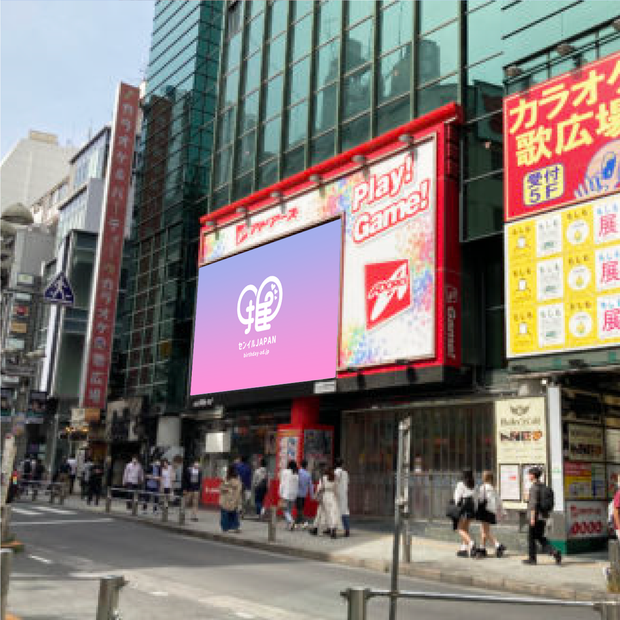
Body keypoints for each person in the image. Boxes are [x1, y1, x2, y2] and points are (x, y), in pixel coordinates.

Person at [523, 467, 561, 565]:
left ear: (533, 475)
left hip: (535, 517)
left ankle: (532, 559)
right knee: (540, 537)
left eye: (529, 474)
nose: (528, 476)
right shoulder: (543, 486)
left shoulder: (534, 487)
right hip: (543, 516)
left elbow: (533, 504)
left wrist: (532, 518)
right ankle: (554, 551)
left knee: (531, 538)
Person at [476, 470, 506, 558]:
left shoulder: (483, 487)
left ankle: (498, 545)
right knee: (484, 530)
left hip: (484, 511)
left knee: (485, 531)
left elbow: (480, 499)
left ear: (485, 478)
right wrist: (503, 511)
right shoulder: (493, 488)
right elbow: (499, 501)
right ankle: (482, 548)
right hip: (492, 511)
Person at [309, 466, 340, 539]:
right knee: (332, 513)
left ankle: (315, 528)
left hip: (325, 496)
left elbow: (320, 488)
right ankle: (333, 530)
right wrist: (336, 497)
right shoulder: (335, 478)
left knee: (320, 512)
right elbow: (336, 489)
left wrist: (315, 496)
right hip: (332, 496)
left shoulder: (323, 478)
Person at [453, 469, 478, 558]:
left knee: (459, 528)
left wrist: (456, 505)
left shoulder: (461, 484)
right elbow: (475, 498)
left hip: (464, 506)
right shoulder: (474, 484)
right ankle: (463, 549)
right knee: (465, 528)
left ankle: (471, 542)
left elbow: (457, 497)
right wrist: (475, 509)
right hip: (471, 507)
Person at [219, 465, 242, 533]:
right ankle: (234, 527)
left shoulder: (226, 478)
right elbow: (239, 489)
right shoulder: (237, 478)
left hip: (226, 499)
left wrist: (227, 489)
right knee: (233, 513)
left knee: (226, 513)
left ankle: (226, 528)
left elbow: (221, 487)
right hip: (232, 498)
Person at [279, 460, 299, 530]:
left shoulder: (285, 472)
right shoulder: (296, 474)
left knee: (284, 509)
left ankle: (291, 521)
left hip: (286, 494)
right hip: (293, 495)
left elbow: (282, 483)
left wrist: (280, 492)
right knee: (289, 510)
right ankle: (288, 526)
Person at [335, 458, 350, 537]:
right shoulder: (346, 473)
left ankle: (335, 529)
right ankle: (347, 529)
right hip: (344, 494)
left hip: (337, 494)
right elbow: (347, 483)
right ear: (342, 464)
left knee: (336, 511)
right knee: (345, 511)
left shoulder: (335, 472)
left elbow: (334, 483)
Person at [295, 460, 313, 528]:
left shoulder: (298, 472)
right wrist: (311, 495)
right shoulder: (308, 474)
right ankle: (297, 523)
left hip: (297, 493)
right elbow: (310, 486)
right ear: (306, 466)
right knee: (300, 508)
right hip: (304, 494)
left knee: (299, 509)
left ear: (300, 465)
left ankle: (304, 522)